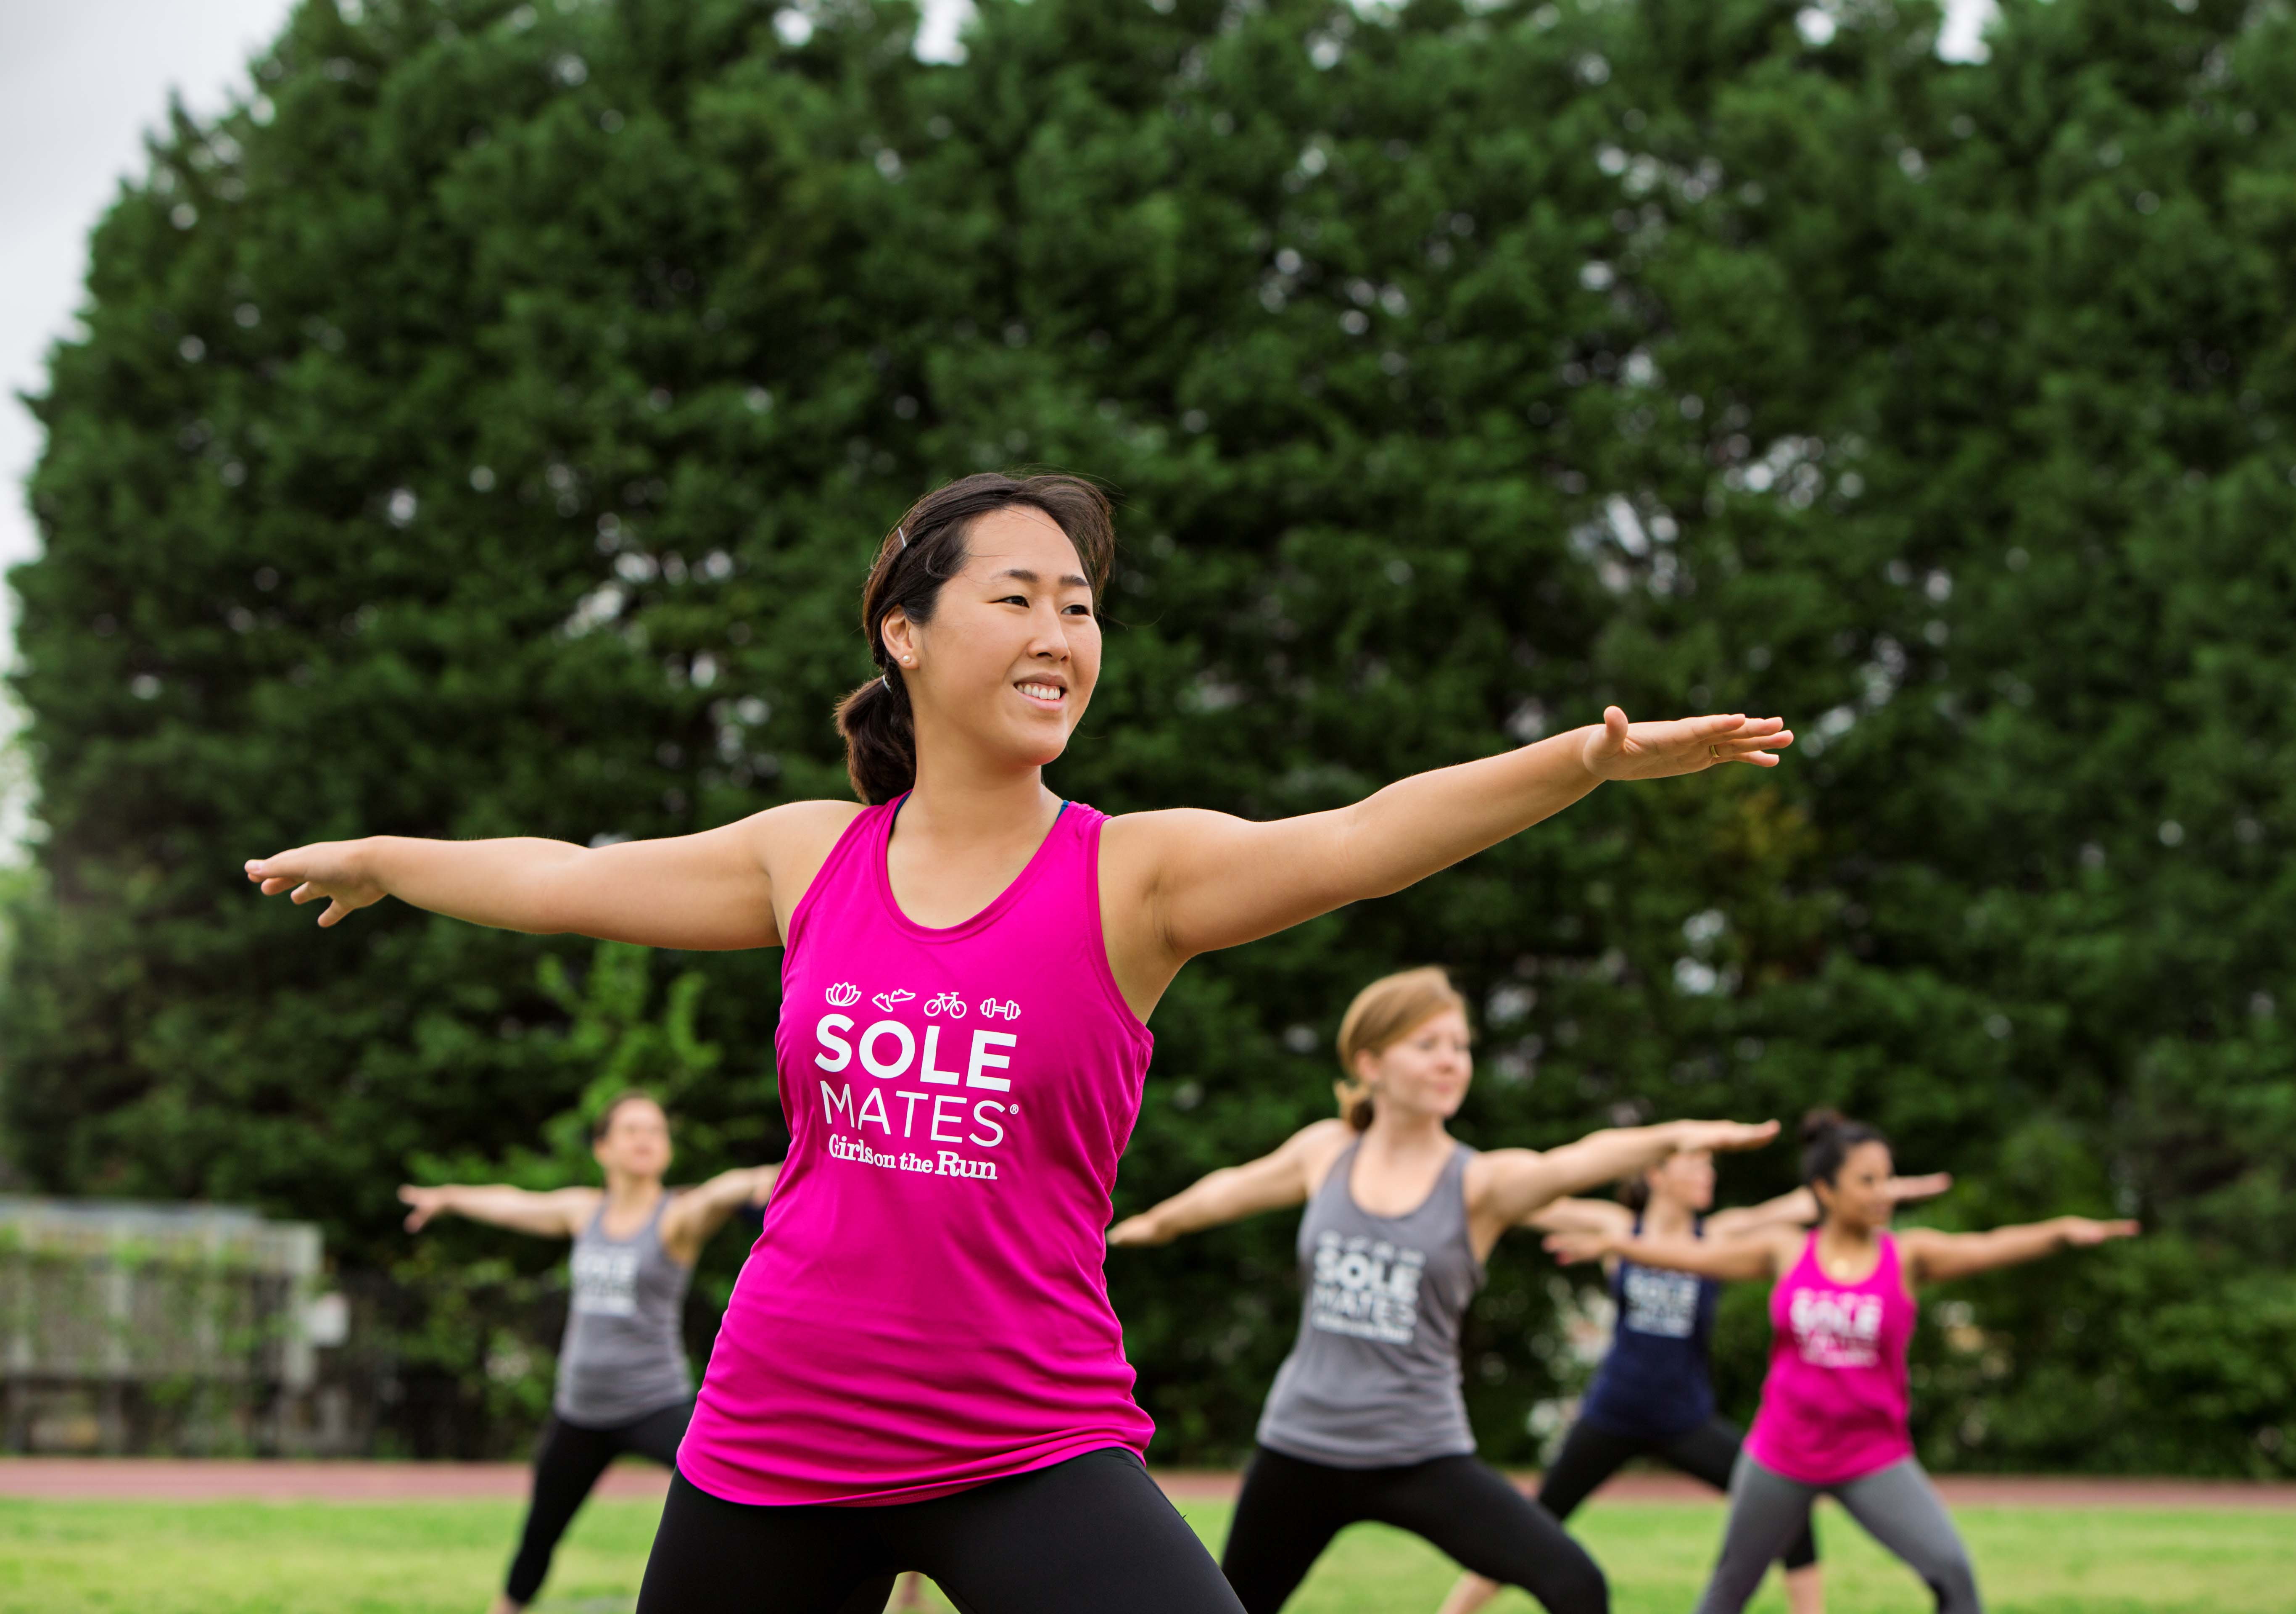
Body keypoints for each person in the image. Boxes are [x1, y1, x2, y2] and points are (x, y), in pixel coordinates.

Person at [247, 470, 1792, 1614]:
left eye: (1082, 605)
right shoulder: (810, 857)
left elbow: (1365, 836)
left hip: (1025, 1432)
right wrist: (393, 854)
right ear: (904, 633)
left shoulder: (1134, 877)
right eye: (1020, 596)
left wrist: (1578, 765)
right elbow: (567, 878)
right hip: (780, 1428)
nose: (1063, 628)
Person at [1106, 966, 1778, 1614]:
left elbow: (1576, 1159)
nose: (1450, 1061)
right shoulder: (1326, 1153)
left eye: (1459, 1047)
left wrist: (1673, 1138)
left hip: (1419, 1453)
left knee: (1576, 1584)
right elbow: (1230, 1191)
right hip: (1301, 1447)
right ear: (1370, 1064)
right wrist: (1143, 1226)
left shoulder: (1479, 1184)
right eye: (1427, 1045)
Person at [1546, 1109, 2136, 1614]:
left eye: (1887, 1178)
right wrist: (1617, 1244)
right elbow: (1687, 1257)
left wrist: (2059, 1232)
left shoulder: (1908, 1256)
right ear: (1825, 1192)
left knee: (1954, 1573)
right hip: (1781, 1454)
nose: (1883, 1191)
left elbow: (1987, 1247)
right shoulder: (1784, 1253)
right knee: (1727, 1592)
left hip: (1872, 1456)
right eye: (1867, 1180)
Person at [1435, 1153, 1953, 1614]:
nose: (1709, 1174)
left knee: (1789, 1514)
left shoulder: (1720, 1235)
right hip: (1613, 1412)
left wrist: (1886, 1189)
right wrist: (1447, 1171)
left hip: (1686, 1419)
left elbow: (1807, 1202)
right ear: (1657, 1174)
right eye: (1696, 1165)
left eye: (1710, 1165)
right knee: (1538, 1521)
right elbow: (1523, 1199)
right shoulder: (1617, 1226)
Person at [397, 1091, 777, 1614]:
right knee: (538, 1536)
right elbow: (513, 1203)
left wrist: (765, 1178)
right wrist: (448, 1197)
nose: (646, 1139)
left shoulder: (677, 1218)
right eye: (632, 1130)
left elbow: (724, 1191)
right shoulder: (583, 1211)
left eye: (656, 1131)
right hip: (580, 1411)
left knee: (734, 1492)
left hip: (655, 1404)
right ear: (603, 1147)